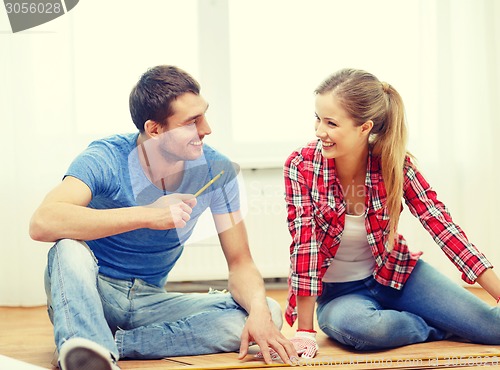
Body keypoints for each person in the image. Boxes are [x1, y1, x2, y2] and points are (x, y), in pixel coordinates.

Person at [29, 65, 297, 370]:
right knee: (67, 248)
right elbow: (43, 222)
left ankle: (105, 347)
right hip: (92, 291)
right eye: (192, 122)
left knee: (267, 314)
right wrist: (147, 215)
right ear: (155, 129)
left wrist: (258, 310)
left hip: (149, 301)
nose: (206, 129)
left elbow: (240, 263)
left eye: (204, 115)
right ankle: (88, 346)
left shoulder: (216, 170)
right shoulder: (104, 158)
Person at [283, 68, 500, 357]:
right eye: (317, 118)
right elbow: (305, 244)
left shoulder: (395, 165)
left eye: (331, 123)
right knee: (357, 328)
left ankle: (440, 318)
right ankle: (433, 327)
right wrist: (305, 332)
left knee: (494, 330)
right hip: (340, 294)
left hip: (397, 273)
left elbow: (441, 226)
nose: (319, 131)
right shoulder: (301, 165)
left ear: (365, 128)